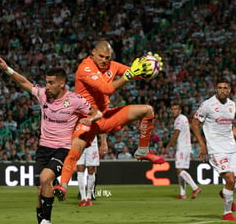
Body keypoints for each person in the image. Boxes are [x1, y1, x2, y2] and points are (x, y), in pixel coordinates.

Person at [0, 56, 102, 224]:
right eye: (46, 82)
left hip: (62, 149)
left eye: (51, 83)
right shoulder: (43, 95)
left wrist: (89, 119)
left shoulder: (75, 100)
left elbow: (97, 112)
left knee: (46, 179)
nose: (47, 86)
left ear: (62, 84)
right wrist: (7, 69)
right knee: (39, 192)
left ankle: (45, 221)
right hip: (43, 148)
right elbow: (24, 82)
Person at [54, 40, 164, 200]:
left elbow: (134, 73)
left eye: (107, 57)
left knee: (148, 110)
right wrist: (129, 75)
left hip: (105, 117)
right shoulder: (85, 68)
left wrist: (148, 69)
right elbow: (107, 89)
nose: (104, 60)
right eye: (101, 56)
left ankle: (142, 151)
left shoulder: (112, 65)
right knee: (75, 152)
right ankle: (62, 187)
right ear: (92, 53)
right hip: (86, 118)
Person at [191, 78, 236, 221]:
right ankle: (227, 213)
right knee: (230, 179)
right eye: (219, 87)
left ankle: (225, 193)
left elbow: (230, 126)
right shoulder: (207, 105)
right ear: (216, 89)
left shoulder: (232, 105)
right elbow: (195, 124)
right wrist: (202, 145)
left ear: (229, 90)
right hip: (216, 149)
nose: (222, 90)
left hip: (232, 148)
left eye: (225, 88)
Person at [165, 103, 201, 199]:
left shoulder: (179, 119)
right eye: (172, 109)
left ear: (180, 110)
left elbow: (176, 133)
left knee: (179, 170)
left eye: (176, 109)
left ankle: (195, 188)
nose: (173, 111)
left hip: (182, 147)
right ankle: (182, 193)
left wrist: (168, 146)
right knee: (180, 171)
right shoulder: (184, 118)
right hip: (186, 146)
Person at [76, 134, 106, 207]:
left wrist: (103, 143)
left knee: (91, 169)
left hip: (92, 142)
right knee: (80, 168)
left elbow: (102, 128)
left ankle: (89, 197)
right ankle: (83, 198)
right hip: (78, 141)